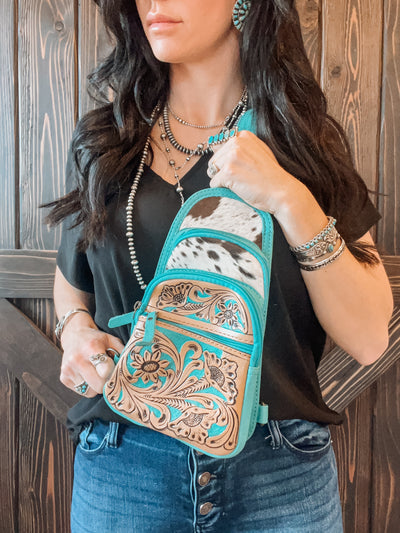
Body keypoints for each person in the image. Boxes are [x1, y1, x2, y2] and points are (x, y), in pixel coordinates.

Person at [45, 1, 393, 531]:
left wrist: (289, 198)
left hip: (277, 476)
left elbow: (368, 338)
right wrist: (75, 333)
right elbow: (72, 285)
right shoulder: (105, 141)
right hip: (125, 469)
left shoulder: (302, 140)